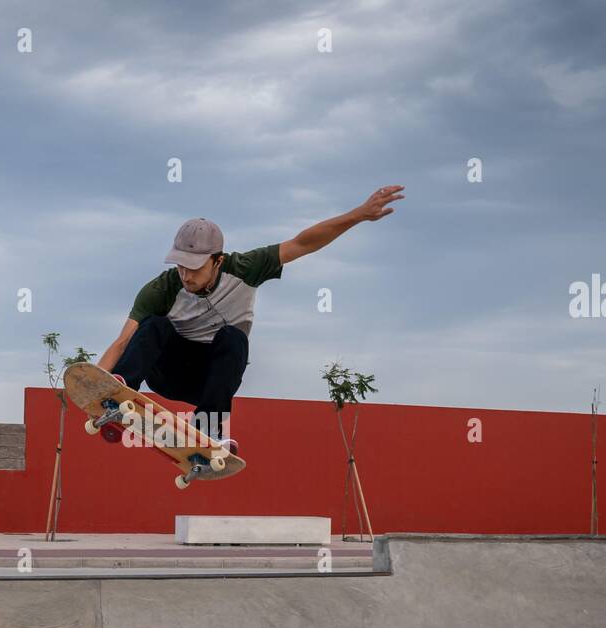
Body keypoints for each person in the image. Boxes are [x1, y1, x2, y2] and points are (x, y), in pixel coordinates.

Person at [99, 185, 405, 454]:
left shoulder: (246, 267)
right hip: (168, 373)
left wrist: (359, 214)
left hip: (212, 381)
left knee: (233, 337)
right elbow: (123, 341)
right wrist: (92, 385)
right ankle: (122, 393)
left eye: (194, 267)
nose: (186, 275)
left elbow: (303, 243)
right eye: (181, 265)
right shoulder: (162, 288)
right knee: (154, 325)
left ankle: (208, 427)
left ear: (218, 260)